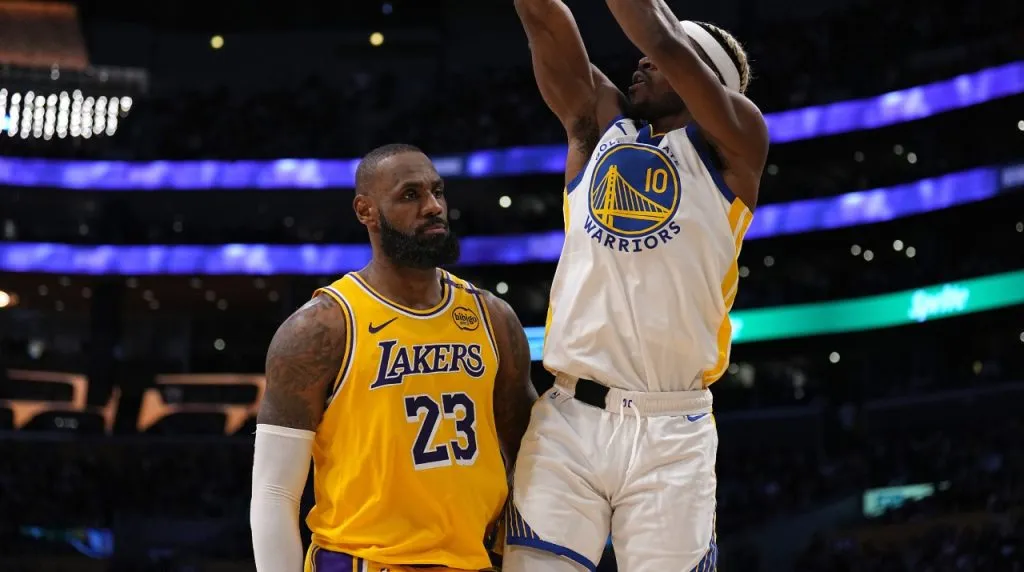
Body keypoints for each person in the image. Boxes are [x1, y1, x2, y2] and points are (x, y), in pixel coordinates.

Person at [508, 0, 769, 570]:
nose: (643, 63)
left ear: (709, 79)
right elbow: (546, 22)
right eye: (642, 59)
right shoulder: (601, 125)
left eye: (661, 59)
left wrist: (665, 44)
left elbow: (662, 35)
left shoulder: (739, 141)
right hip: (569, 417)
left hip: (673, 430)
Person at [250, 143, 537, 572]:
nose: (433, 206)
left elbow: (529, 456)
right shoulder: (321, 328)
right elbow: (275, 493)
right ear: (366, 211)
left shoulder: (492, 318)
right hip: (364, 561)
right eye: (410, 195)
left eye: (437, 191)